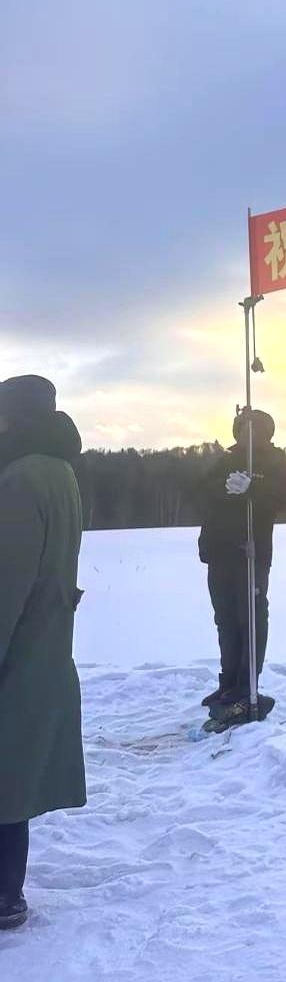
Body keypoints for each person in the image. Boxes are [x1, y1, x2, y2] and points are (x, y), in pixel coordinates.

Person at [0, 375, 85, 932]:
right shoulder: (59, 471)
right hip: (45, 645)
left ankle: (4, 898)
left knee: (7, 775)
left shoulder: (21, 478)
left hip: (18, 649)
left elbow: (7, 582)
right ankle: (8, 894)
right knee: (16, 775)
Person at [197, 408, 286, 721]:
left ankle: (247, 685)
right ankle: (228, 683)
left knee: (249, 619)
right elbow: (201, 491)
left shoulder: (274, 463)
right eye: (242, 428)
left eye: (254, 429)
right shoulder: (226, 461)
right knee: (224, 619)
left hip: (250, 555)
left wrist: (253, 488)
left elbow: (285, 497)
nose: (247, 434)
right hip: (219, 552)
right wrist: (226, 488)